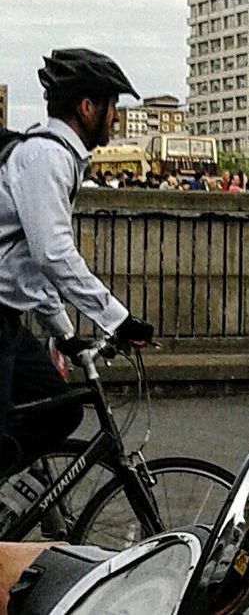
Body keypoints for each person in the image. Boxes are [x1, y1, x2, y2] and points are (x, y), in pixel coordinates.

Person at [0, 50, 155, 476]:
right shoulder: (47, 158)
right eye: (113, 106)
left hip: (8, 321)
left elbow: (30, 263)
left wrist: (65, 335)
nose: (116, 118)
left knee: (60, 410)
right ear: (87, 107)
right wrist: (118, 319)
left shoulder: (55, 156)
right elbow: (53, 254)